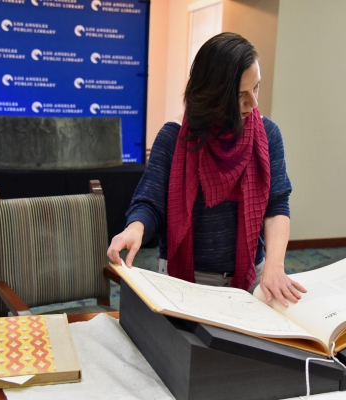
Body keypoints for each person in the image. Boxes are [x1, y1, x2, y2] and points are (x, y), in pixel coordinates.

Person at [107, 32, 306, 307]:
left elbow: (277, 204)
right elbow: (150, 202)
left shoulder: (268, 135)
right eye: (240, 95)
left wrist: (275, 265)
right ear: (213, 95)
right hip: (185, 279)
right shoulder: (174, 137)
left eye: (256, 88)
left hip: (252, 276)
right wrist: (135, 228)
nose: (254, 103)